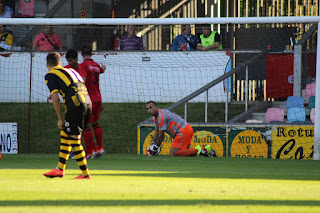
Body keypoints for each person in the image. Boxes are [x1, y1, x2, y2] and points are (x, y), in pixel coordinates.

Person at [43, 52, 92, 179]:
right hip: (87, 103)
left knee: (75, 140)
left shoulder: (50, 75)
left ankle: (85, 174)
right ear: (61, 63)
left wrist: (60, 119)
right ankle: (59, 169)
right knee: (65, 134)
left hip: (75, 106)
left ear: (47, 64)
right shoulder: (71, 71)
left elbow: (56, 99)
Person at [145, 101, 217, 157]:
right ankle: (206, 149)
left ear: (156, 107)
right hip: (187, 129)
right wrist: (152, 144)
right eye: (147, 109)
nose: (149, 110)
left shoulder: (161, 117)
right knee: (184, 154)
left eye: (151, 107)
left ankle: (198, 150)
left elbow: (161, 135)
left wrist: (155, 148)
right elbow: (156, 132)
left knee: (173, 154)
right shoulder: (156, 116)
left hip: (183, 131)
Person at [79, 44, 106, 159]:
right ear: (92, 54)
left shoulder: (83, 65)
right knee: (95, 123)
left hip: (88, 99)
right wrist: (103, 68)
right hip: (98, 98)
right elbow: (101, 70)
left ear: (81, 54)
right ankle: (100, 148)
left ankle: (90, 152)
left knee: (85, 126)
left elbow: (83, 81)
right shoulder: (95, 65)